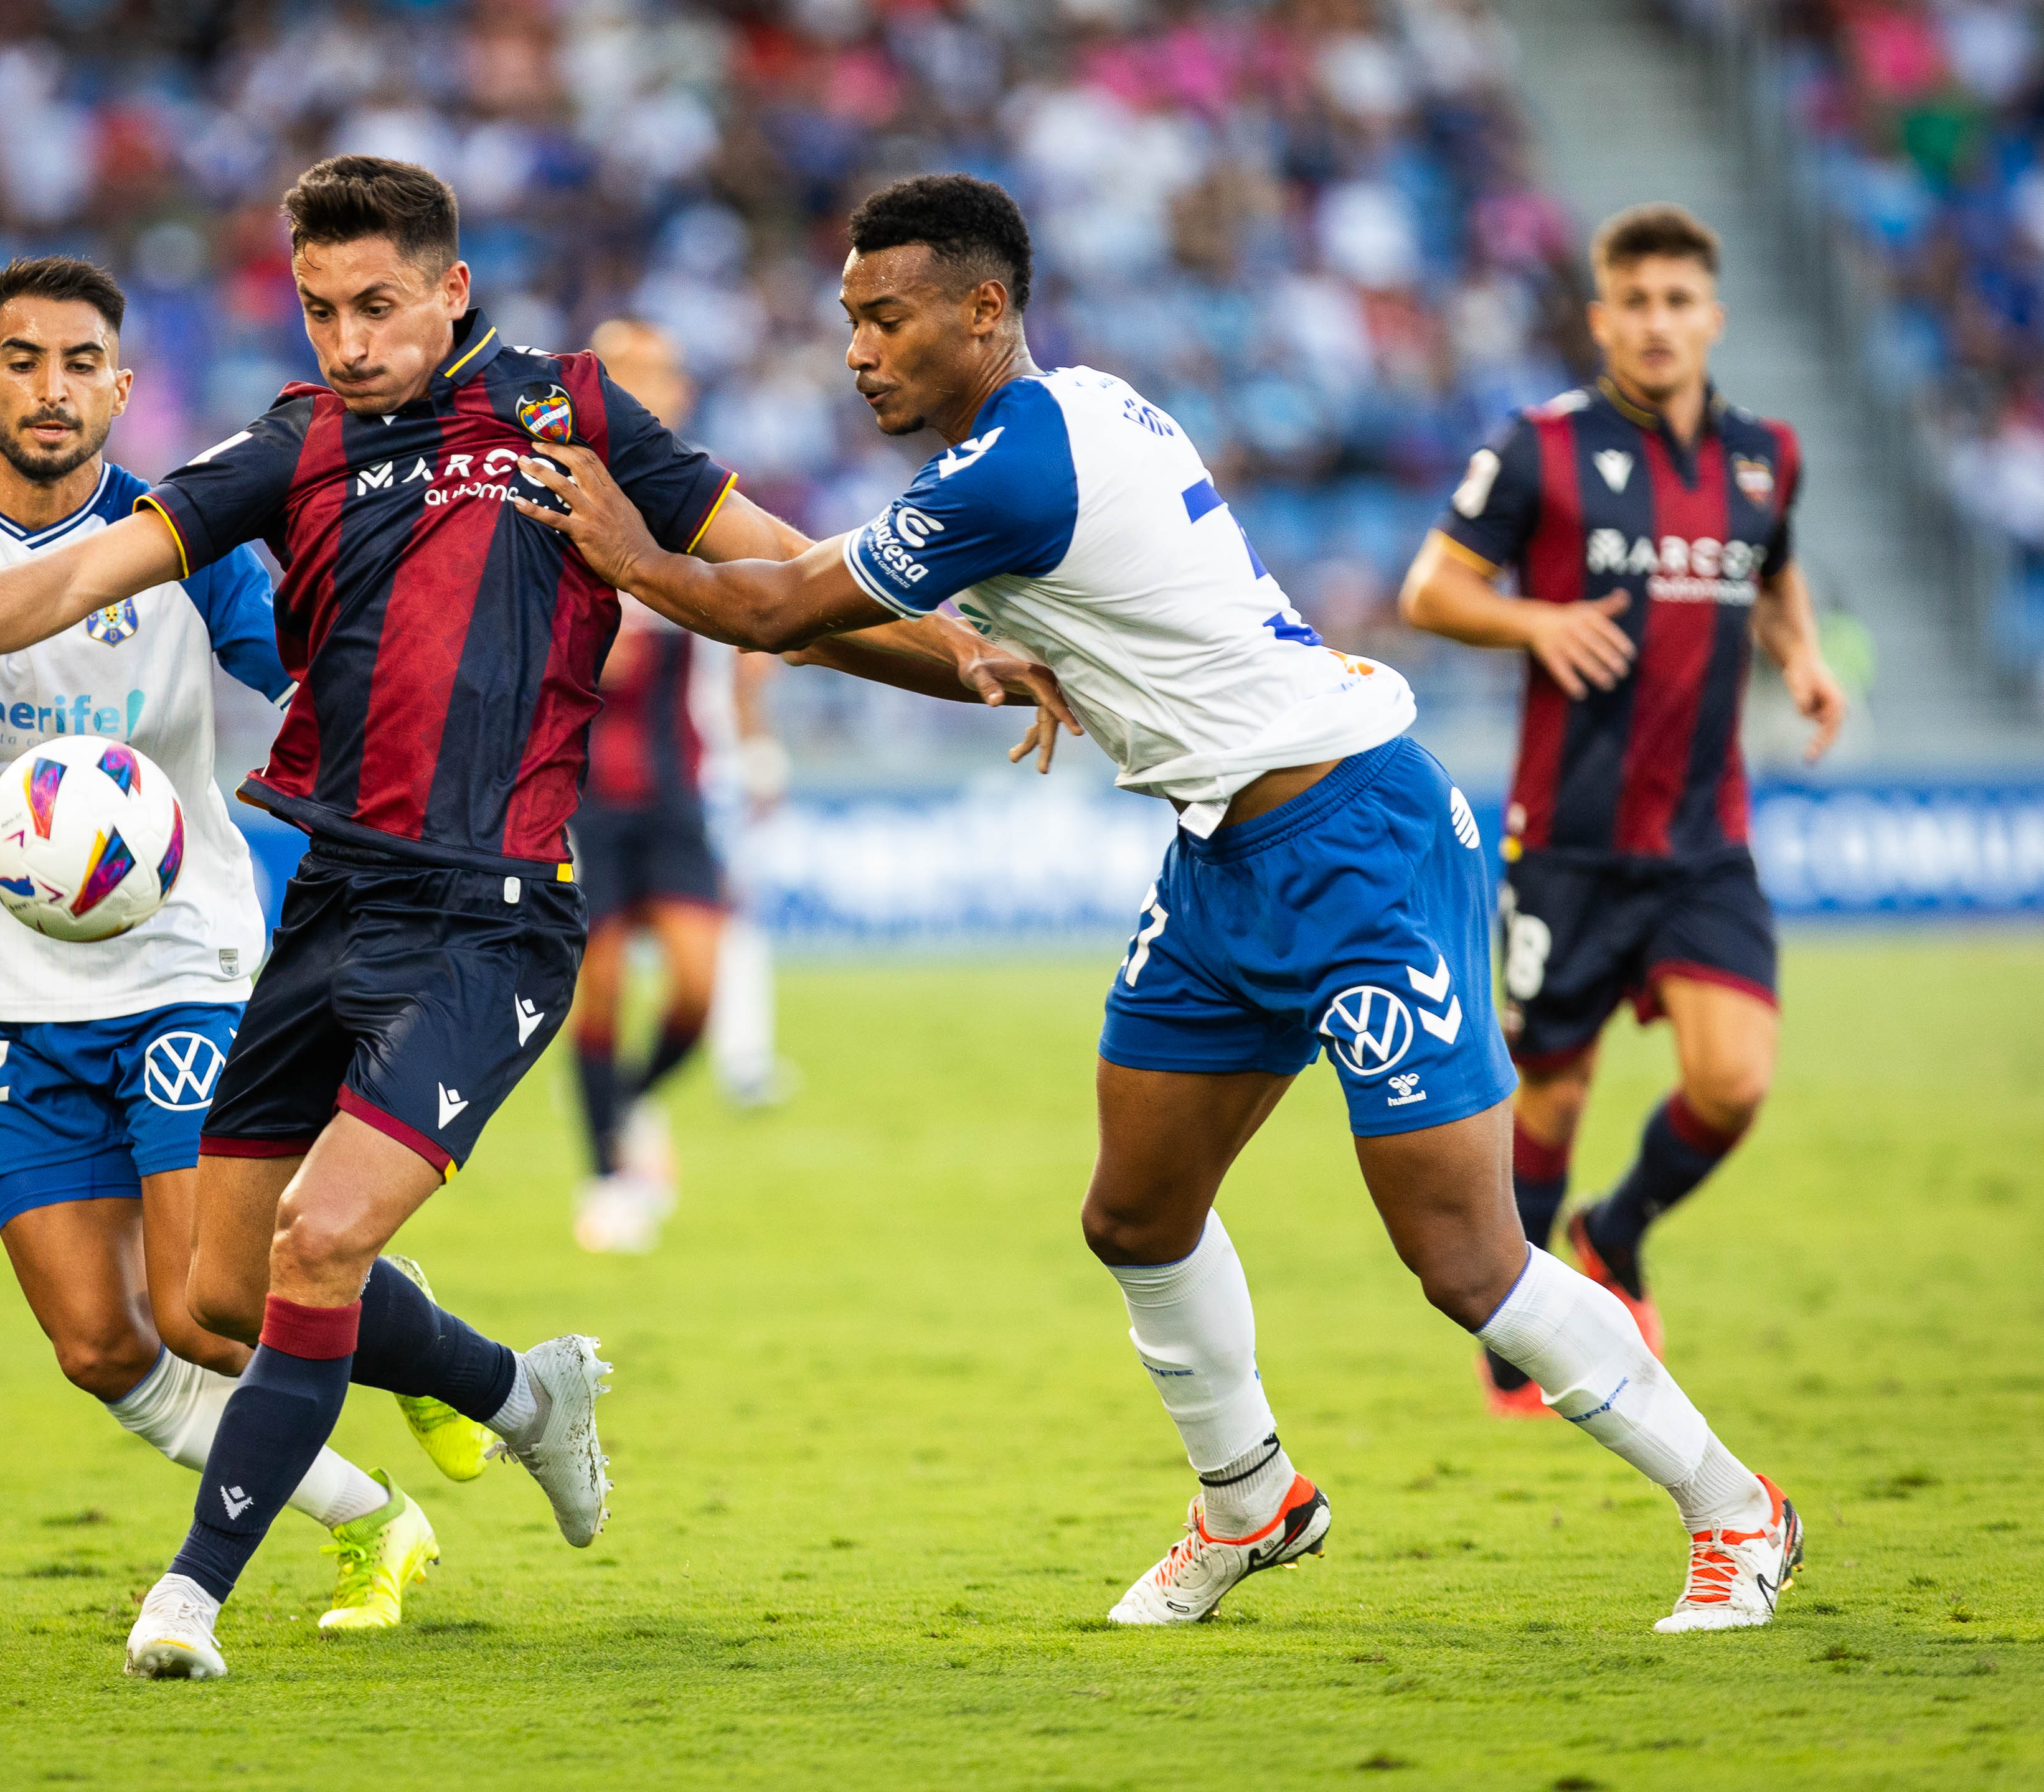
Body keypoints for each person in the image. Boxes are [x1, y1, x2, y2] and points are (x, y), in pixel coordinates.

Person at [0, 158, 1067, 1678]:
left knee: (318, 1245)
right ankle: (525, 1397)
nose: (348, 341)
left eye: (377, 306)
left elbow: (779, 573)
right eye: (321, 310)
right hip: (334, 902)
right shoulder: (296, 441)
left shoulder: (569, 414)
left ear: (452, 289)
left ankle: (190, 1598)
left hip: (497, 909)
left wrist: (967, 658)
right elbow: (85, 573)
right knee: (215, 1293)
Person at [519, 173, 1806, 1635]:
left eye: (886, 319)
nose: (860, 351)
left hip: (1360, 842)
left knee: (1465, 1260)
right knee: (1135, 1216)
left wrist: (626, 551)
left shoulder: (1013, 469)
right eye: (848, 322)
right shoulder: (1056, 420)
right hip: (1221, 863)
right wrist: (981, 658)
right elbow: (871, 625)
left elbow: (774, 607)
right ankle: (1251, 1500)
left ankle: (1734, 1509)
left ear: (984, 308)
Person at [0, 255, 496, 1633]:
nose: (53, 389)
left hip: (187, 966)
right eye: (25, 361)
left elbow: (310, 682)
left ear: (122, 384)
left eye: (81, 362)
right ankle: (374, 1518)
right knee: (99, 1347)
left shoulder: (184, 542)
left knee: (204, 1309)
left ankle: (426, 1353)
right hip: (12, 994)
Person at [1396, 203, 1845, 1414]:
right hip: (1571, 843)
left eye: (1678, 302)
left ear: (1714, 316)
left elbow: (1776, 560)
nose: (1657, 324)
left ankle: (1617, 1224)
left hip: (1706, 842)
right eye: (1634, 303)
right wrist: (1536, 619)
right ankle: (1519, 1335)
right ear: (1602, 318)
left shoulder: (1767, 455)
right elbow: (1431, 590)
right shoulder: (1540, 447)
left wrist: (1801, 656)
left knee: (1734, 1082)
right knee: (1551, 1092)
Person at [565, 318, 786, 1254]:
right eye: (626, 376)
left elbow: (760, 625)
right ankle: (609, 1174)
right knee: (601, 991)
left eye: (659, 374)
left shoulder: (700, 505)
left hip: (679, 786)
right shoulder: (557, 495)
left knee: (696, 994)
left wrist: (754, 726)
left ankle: (633, 1107)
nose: (646, 390)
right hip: (578, 790)